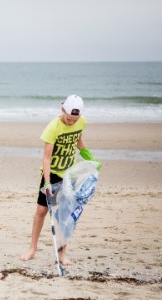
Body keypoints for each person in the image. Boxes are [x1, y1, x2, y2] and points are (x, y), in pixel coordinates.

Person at [20, 95, 101, 265]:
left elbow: (78, 141)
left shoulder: (81, 122)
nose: (71, 122)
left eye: (74, 119)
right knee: (41, 211)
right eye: (69, 119)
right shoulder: (53, 127)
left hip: (69, 174)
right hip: (53, 174)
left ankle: (62, 253)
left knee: (64, 214)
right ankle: (32, 249)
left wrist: (89, 158)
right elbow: (46, 158)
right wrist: (47, 182)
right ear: (62, 109)